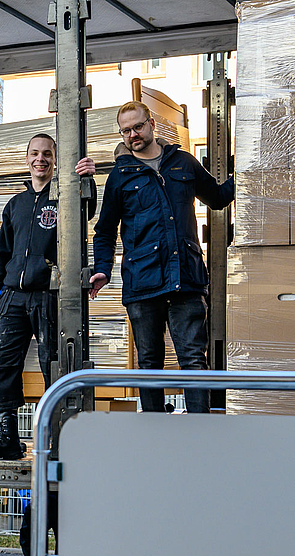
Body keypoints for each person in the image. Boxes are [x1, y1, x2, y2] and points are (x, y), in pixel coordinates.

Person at [90, 101, 234, 413]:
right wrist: (102, 269)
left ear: (152, 124)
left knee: (194, 358)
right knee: (150, 363)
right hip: (143, 282)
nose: (132, 134)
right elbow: (104, 231)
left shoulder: (183, 162)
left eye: (137, 127)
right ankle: (153, 434)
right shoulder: (120, 176)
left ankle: (200, 432)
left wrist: (250, 168)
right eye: (125, 131)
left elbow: (219, 197)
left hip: (186, 278)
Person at [0, 134, 95, 461]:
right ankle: (7, 437)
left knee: (52, 364)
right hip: (12, 295)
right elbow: (2, 250)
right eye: (35, 154)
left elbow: (87, 212)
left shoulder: (63, 197)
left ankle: (59, 441)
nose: (41, 159)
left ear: (55, 160)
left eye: (47, 154)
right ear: (27, 159)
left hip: (48, 295)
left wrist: (88, 181)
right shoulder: (16, 204)